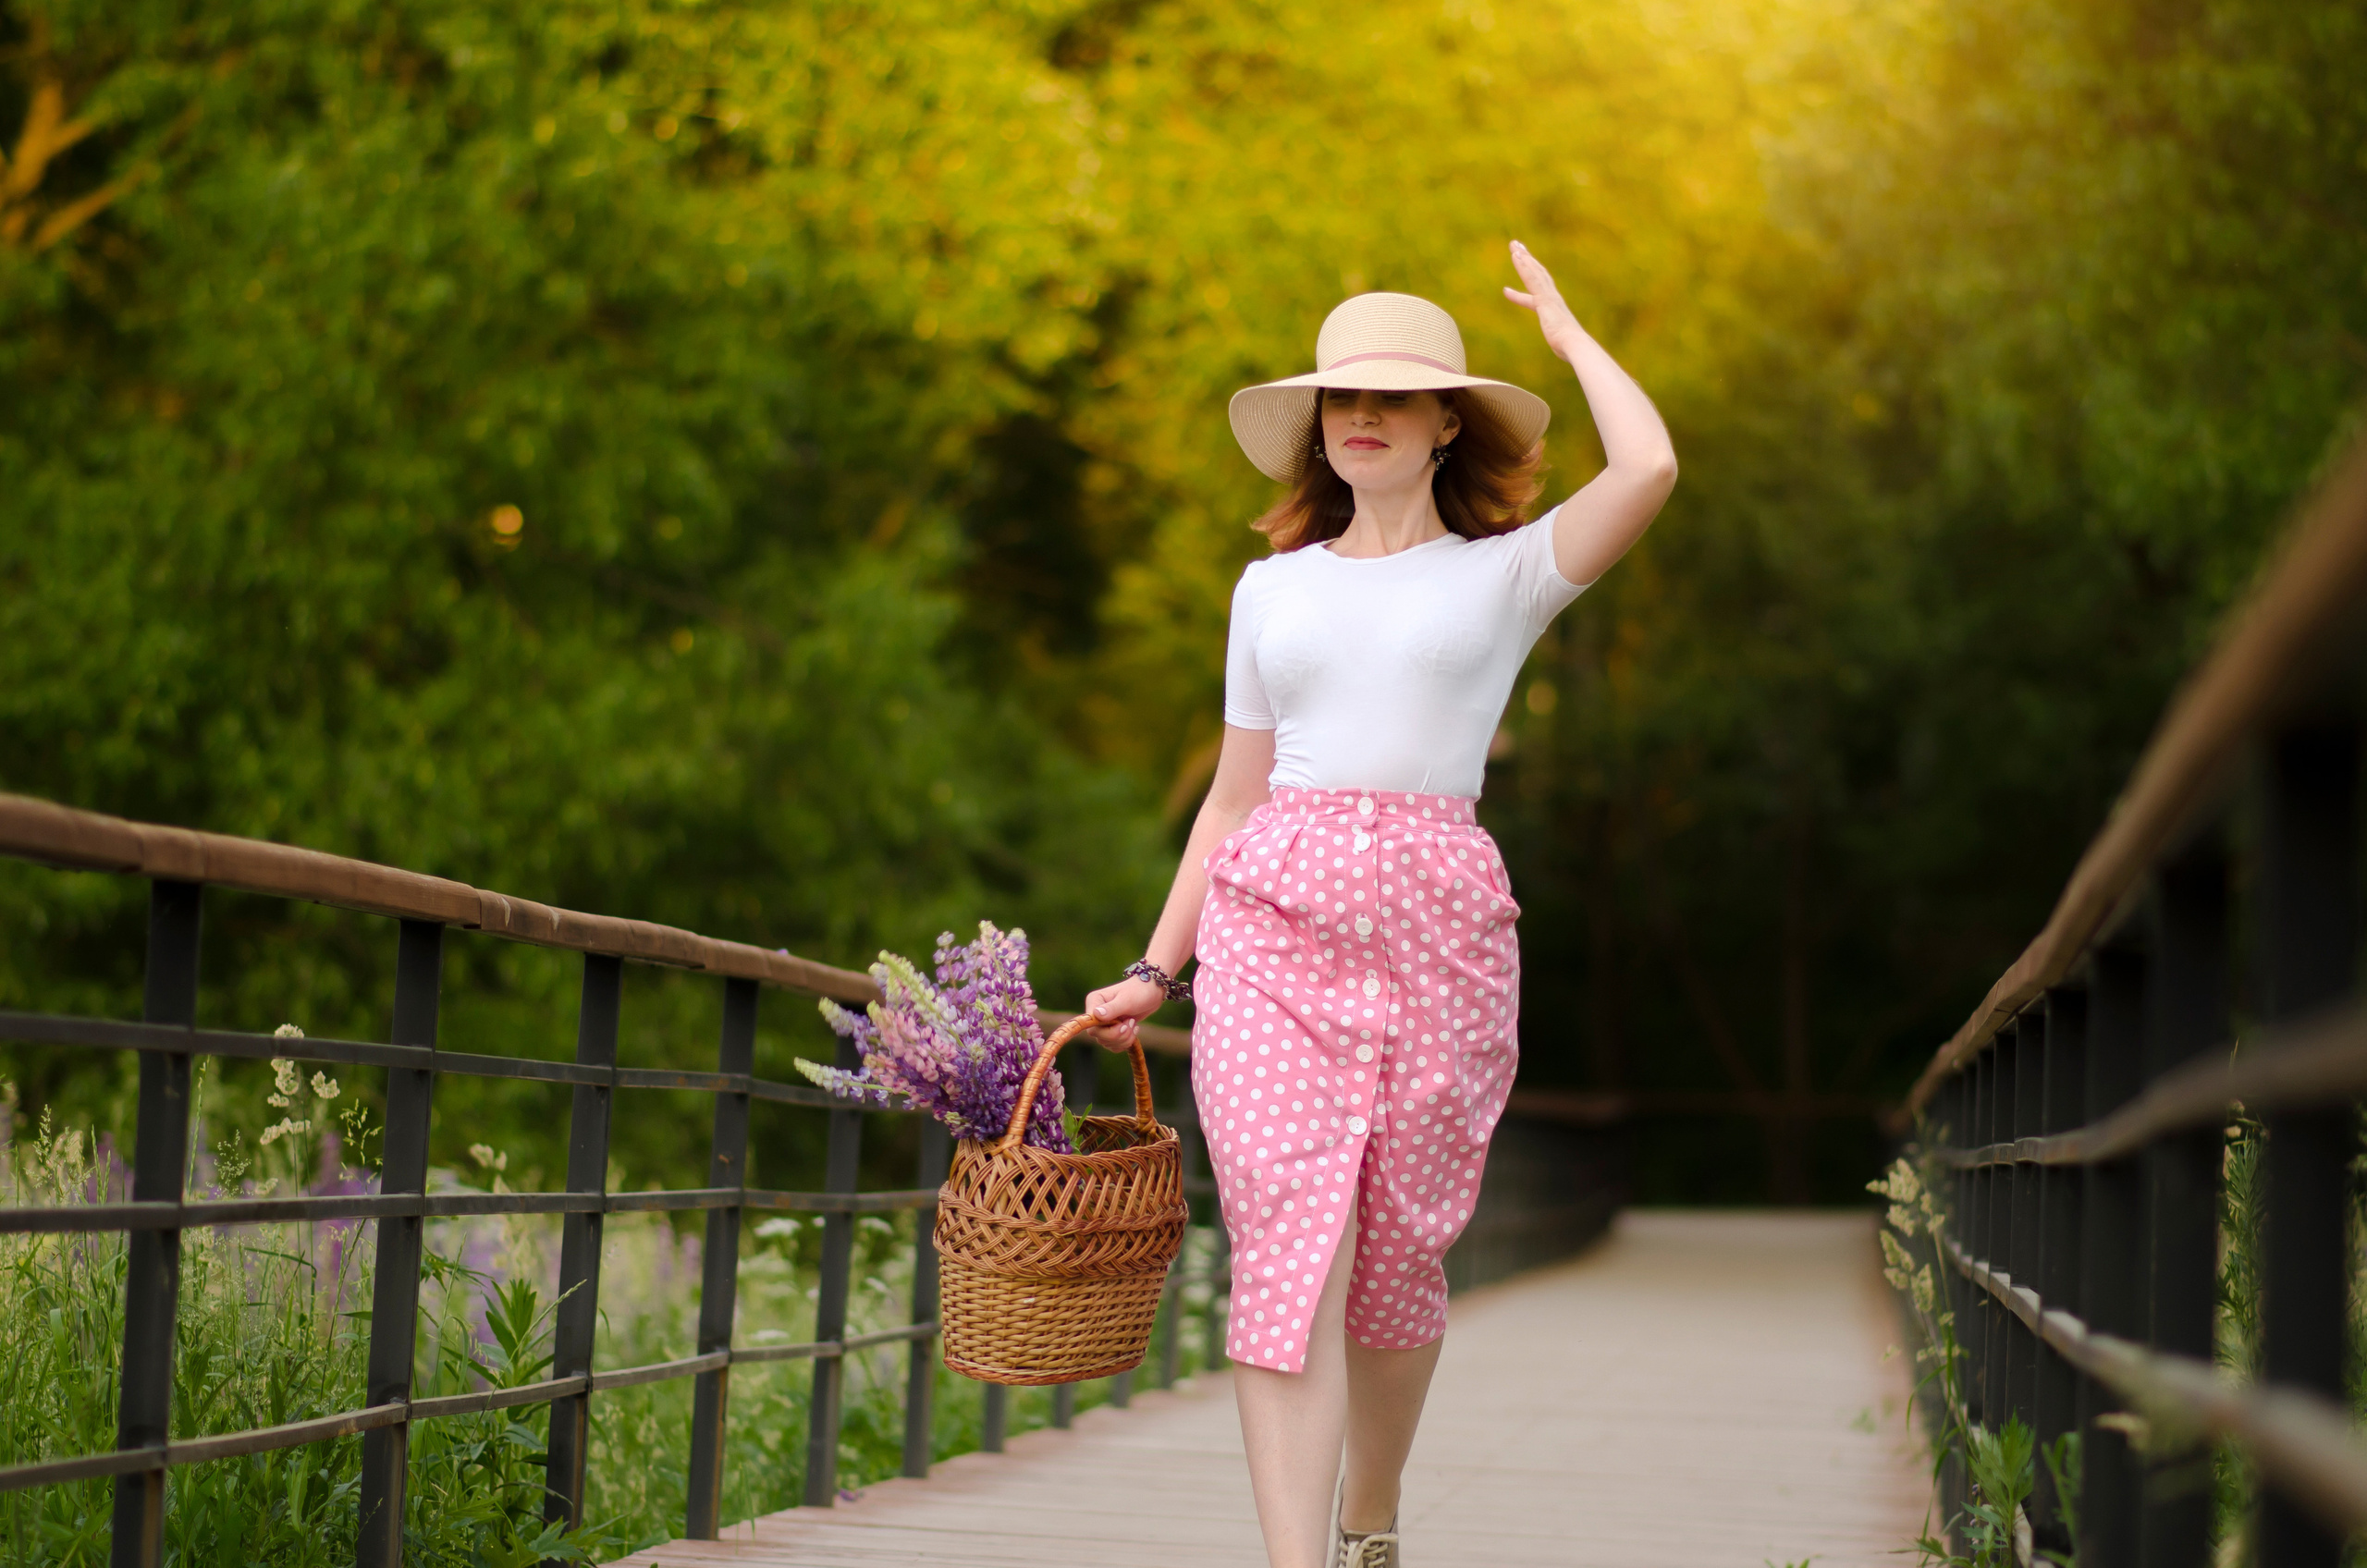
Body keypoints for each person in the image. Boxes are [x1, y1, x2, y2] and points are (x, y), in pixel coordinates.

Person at [1085, 241, 1676, 1568]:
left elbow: (1647, 472)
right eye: (1342, 397)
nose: (1361, 415)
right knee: (1292, 1243)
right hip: (1269, 934)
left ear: (1446, 421)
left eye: (1397, 398)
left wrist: (1575, 342)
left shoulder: (1508, 573)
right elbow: (1232, 802)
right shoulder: (1270, 590)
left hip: (1439, 932)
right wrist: (1157, 969)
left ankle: (1372, 1517)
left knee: (1401, 1260)